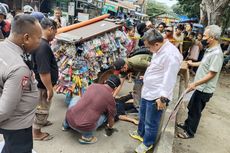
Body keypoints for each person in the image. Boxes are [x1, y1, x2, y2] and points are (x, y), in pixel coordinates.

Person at [129, 29, 183, 153]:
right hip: (148, 90)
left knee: (151, 122)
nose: (148, 49)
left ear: (157, 44)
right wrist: (147, 77)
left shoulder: (171, 55)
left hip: (156, 95)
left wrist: (163, 98)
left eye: (149, 47)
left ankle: (147, 143)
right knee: (142, 115)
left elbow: (170, 78)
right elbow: (157, 67)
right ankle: (141, 134)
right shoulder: (159, 49)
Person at [0, 14, 42, 153]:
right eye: (39, 38)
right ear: (26, 38)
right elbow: (4, 110)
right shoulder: (19, 68)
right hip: (17, 126)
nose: (40, 42)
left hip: (13, 123)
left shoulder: (3, 47)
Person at [177, 25, 224, 139]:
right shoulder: (210, 50)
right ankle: (187, 124)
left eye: (204, 35)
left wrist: (195, 84)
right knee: (192, 107)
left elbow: (211, 74)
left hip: (204, 89)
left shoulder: (217, 53)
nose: (202, 37)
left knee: (195, 111)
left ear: (212, 37)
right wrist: (192, 64)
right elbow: (204, 63)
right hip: (199, 86)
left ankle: (190, 132)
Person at [63, 75, 121, 144]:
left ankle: (65, 125)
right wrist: (110, 127)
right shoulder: (111, 100)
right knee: (105, 116)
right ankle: (87, 137)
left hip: (69, 119)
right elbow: (111, 119)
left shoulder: (93, 85)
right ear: (115, 88)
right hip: (83, 127)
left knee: (77, 98)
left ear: (105, 81)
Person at [32, 18, 58, 141]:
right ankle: (36, 133)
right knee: (42, 109)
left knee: (42, 108)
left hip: (41, 84)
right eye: (55, 32)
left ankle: (42, 122)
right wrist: (49, 89)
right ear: (50, 29)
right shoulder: (43, 46)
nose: (54, 35)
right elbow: (44, 71)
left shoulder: (40, 43)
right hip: (42, 86)